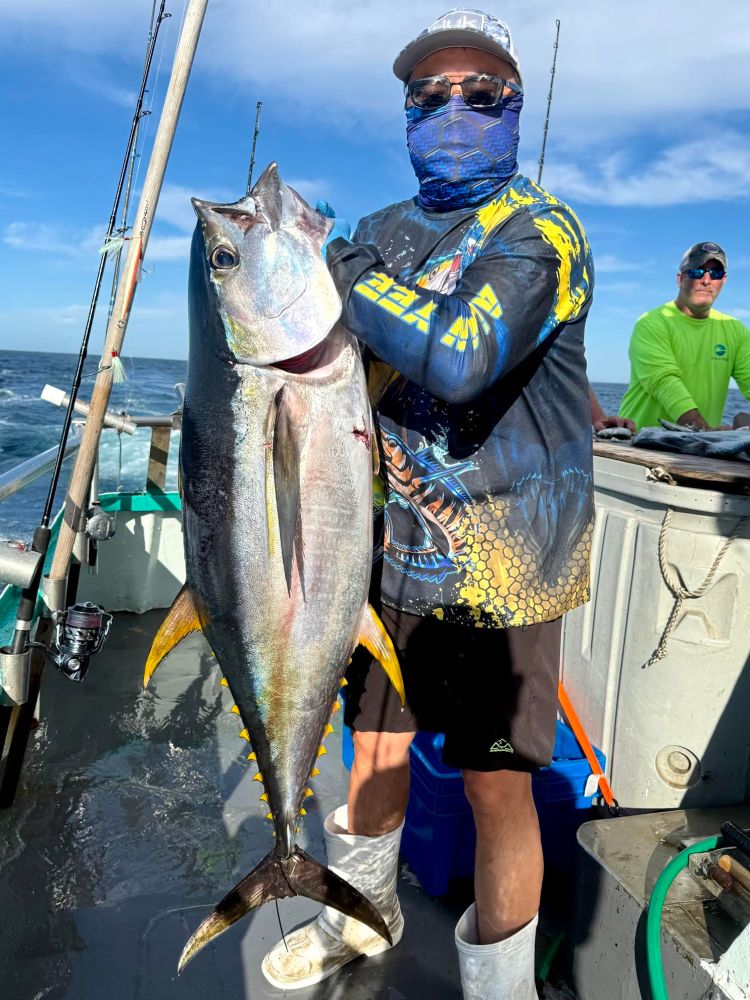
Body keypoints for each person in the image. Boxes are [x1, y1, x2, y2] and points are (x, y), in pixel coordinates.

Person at [263, 10, 594, 998]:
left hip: (506, 570)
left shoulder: (543, 232)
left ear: (516, 107)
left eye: (481, 92)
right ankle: (360, 920)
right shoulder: (375, 233)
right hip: (388, 555)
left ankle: (499, 987)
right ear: (405, 114)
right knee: (371, 752)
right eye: (428, 94)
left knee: (497, 790)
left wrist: (344, 273)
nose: (454, 109)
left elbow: (460, 356)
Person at [619, 242, 750, 431]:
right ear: (680, 279)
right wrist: (705, 432)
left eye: (715, 274)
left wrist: (706, 438)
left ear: (724, 280)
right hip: (639, 443)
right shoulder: (651, 323)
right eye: (697, 272)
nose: (706, 280)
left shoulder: (736, 330)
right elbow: (665, 382)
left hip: (699, 449)